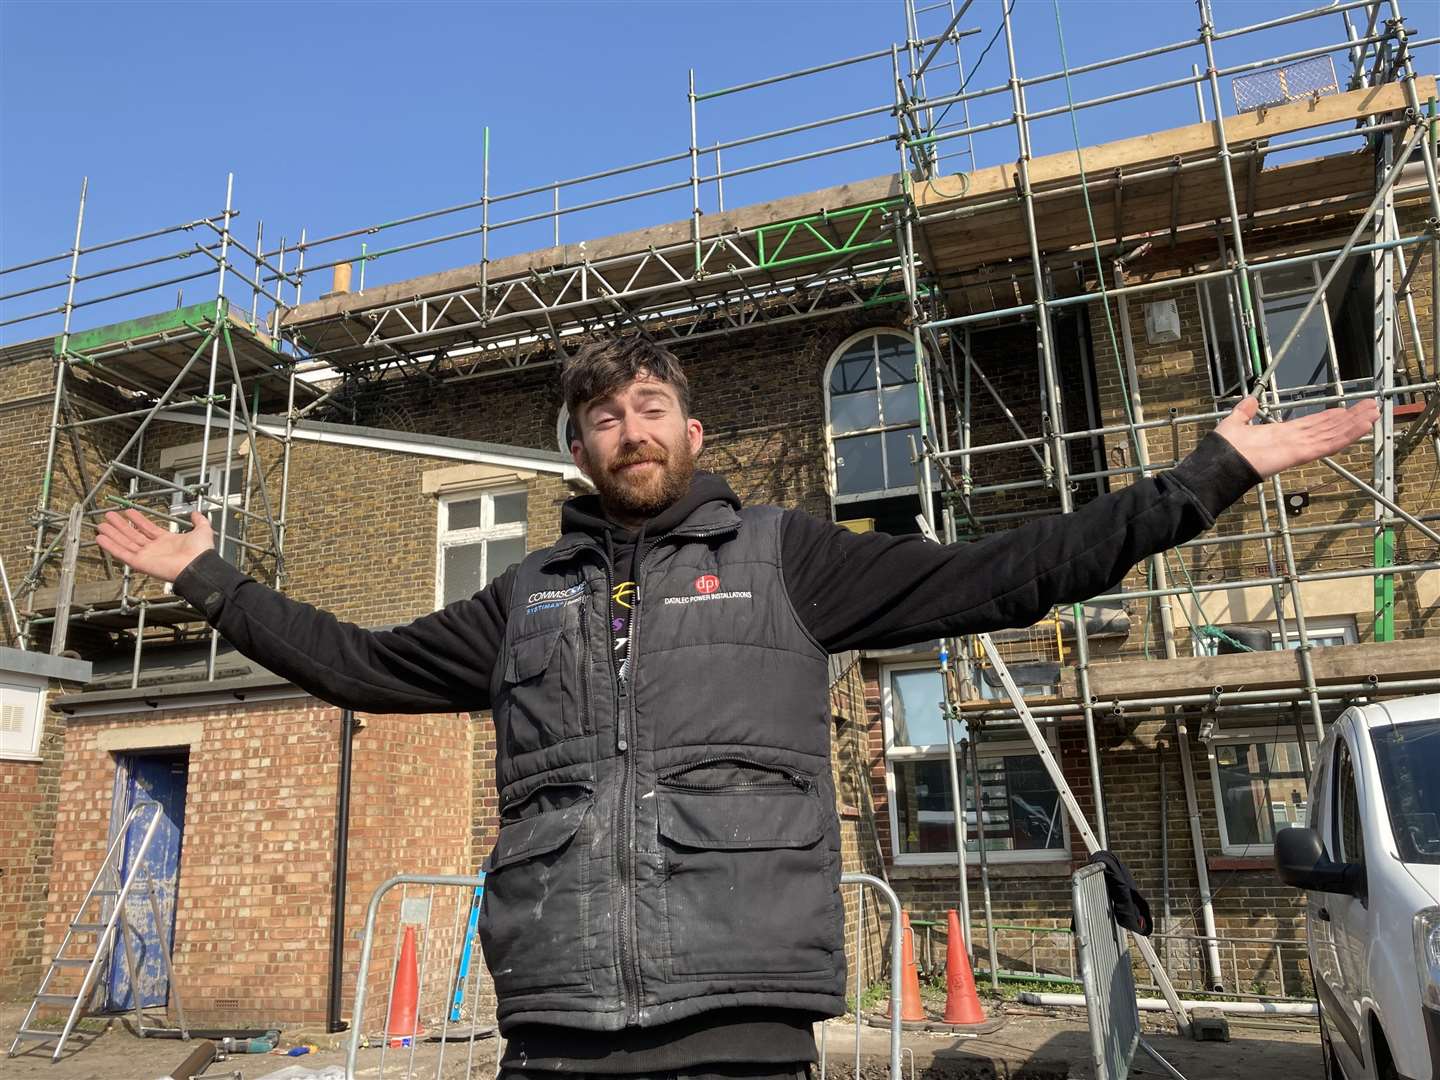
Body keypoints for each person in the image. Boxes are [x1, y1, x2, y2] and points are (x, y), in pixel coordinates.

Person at [96, 335, 1377, 1077]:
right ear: (578, 448)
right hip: (556, 1028)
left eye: (649, 407)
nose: (626, 430)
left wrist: (1205, 479)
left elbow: (1010, 574)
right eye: (600, 417)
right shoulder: (523, 597)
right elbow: (358, 663)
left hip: (740, 1028)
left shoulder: (786, 558)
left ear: (692, 431)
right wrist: (207, 577)